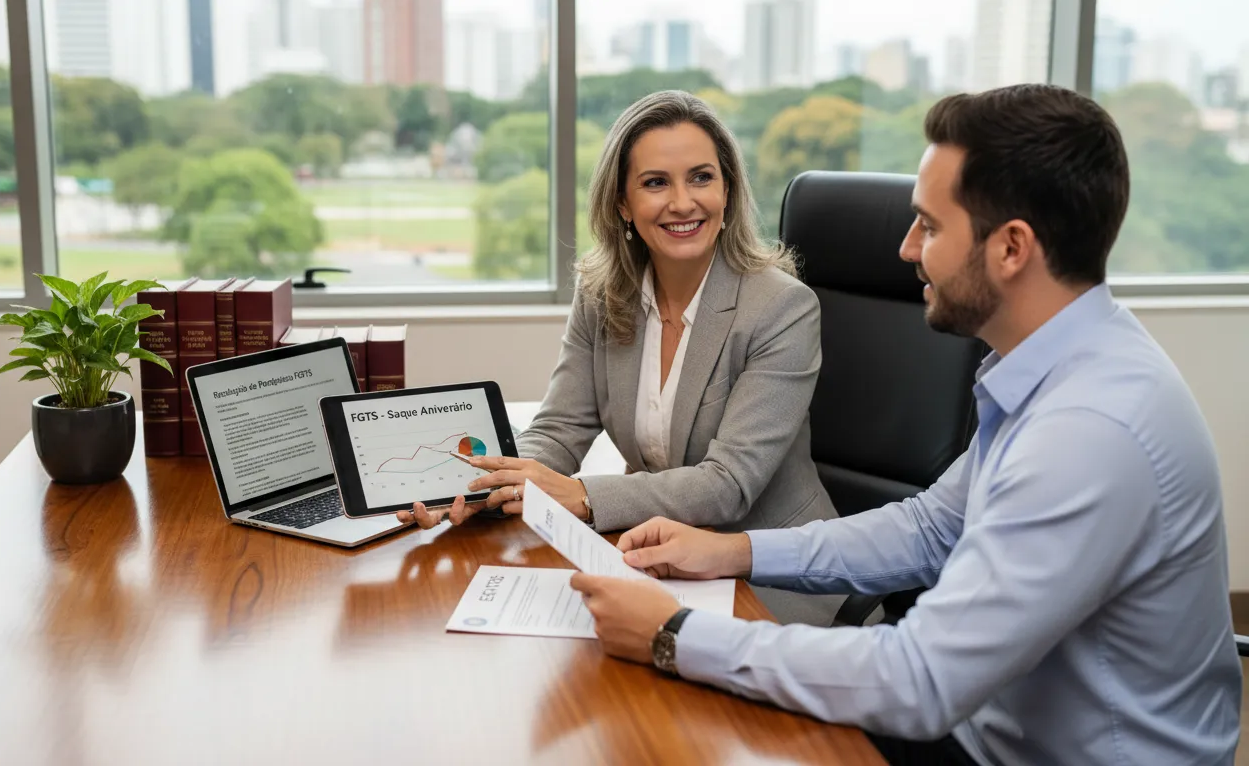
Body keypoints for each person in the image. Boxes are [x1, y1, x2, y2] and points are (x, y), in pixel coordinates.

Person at [568, 83, 1243, 765]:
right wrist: (735, 552)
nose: (905, 247)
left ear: (1011, 248)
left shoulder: (1090, 433)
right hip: (987, 722)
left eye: (930, 225)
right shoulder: (1061, 365)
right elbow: (931, 528)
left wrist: (674, 635)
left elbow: (920, 680)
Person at [398, 90, 841, 614]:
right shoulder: (603, 296)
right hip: (655, 562)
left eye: (701, 177)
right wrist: (473, 491)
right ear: (623, 204)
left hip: (769, 572)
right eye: (656, 182)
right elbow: (559, 431)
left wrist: (582, 496)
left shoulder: (782, 308)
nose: (682, 202)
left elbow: (729, 485)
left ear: (728, 191)